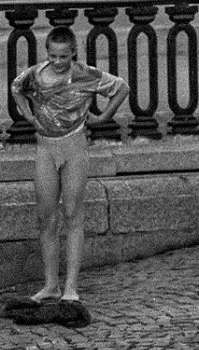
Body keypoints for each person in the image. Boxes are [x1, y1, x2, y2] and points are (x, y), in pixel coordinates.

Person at [9, 27, 129, 303]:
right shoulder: (37, 75)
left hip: (74, 146)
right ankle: (50, 284)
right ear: (47, 53)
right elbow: (17, 88)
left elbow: (122, 88)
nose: (58, 62)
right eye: (53, 56)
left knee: (73, 214)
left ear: (73, 52)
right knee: (45, 216)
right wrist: (29, 116)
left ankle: (71, 287)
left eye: (63, 56)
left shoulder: (86, 74)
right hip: (46, 148)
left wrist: (102, 118)